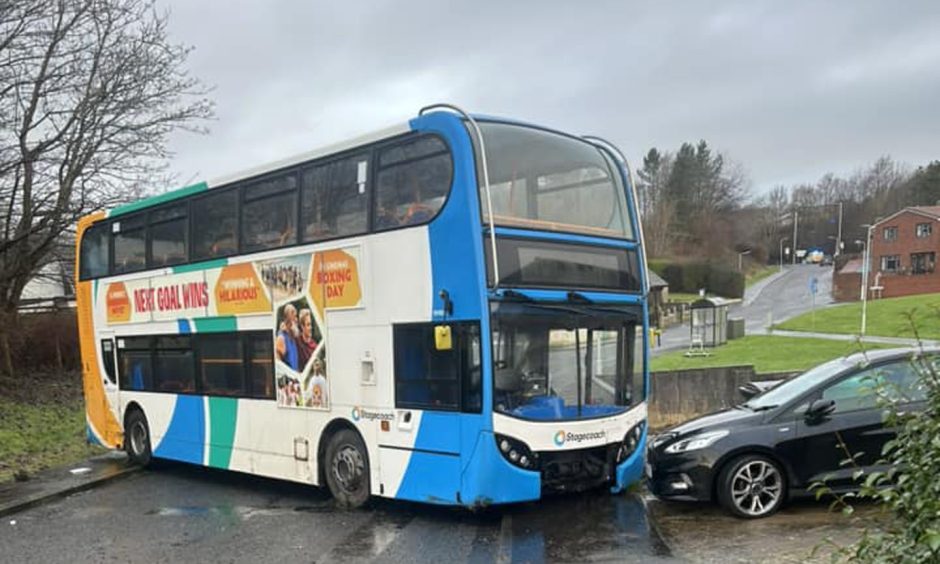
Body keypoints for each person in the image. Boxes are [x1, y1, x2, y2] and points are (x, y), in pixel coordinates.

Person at [276, 303, 300, 371]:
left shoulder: (293, 337)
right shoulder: (282, 338)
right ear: (289, 320)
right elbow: (278, 366)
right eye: (295, 317)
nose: (297, 320)